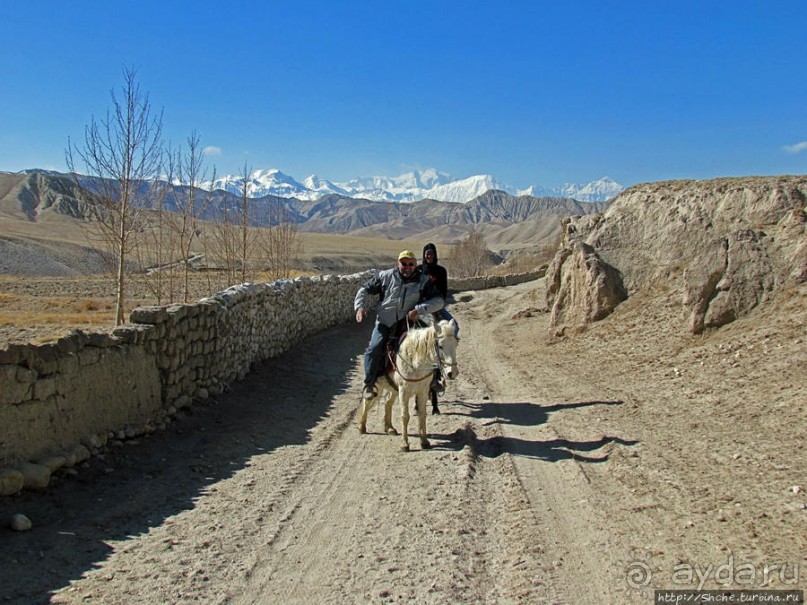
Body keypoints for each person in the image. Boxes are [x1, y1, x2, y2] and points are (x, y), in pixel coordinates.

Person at [354, 250, 445, 399]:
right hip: (385, 322)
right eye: (404, 263)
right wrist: (359, 307)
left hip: (408, 322)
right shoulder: (385, 277)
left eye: (411, 264)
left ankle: (434, 380)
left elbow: (439, 301)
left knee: (430, 343)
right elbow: (364, 289)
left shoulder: (423, 281)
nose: (407, 266)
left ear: (416, 265)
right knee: (375, 348)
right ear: (398, 263)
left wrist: (419, 309)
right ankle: (369, 384)